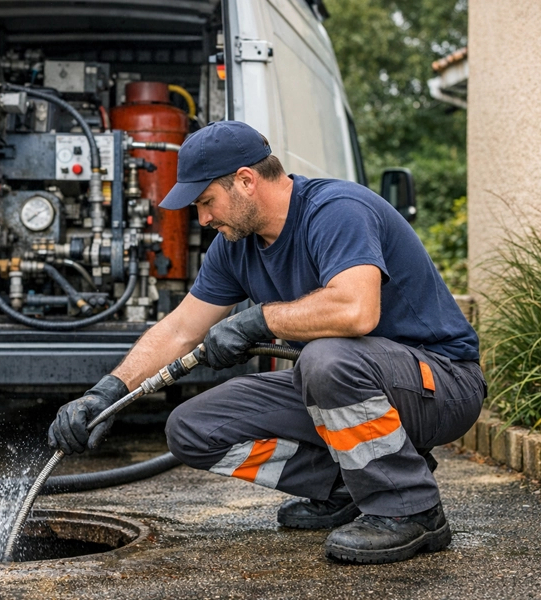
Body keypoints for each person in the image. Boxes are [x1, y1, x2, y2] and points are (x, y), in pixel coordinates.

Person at [47, 120, 486, 565]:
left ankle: (410, 508)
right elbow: (181, 329)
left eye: (206, 202)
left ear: (245, 181)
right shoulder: (235, 246)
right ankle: (351, 488)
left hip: (441, 384)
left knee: (325, 358)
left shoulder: (336, 210)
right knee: (193, 429)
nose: (203, 219)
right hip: (343, 383)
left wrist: (259, 321)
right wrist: (106, 394)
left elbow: (357, 310)